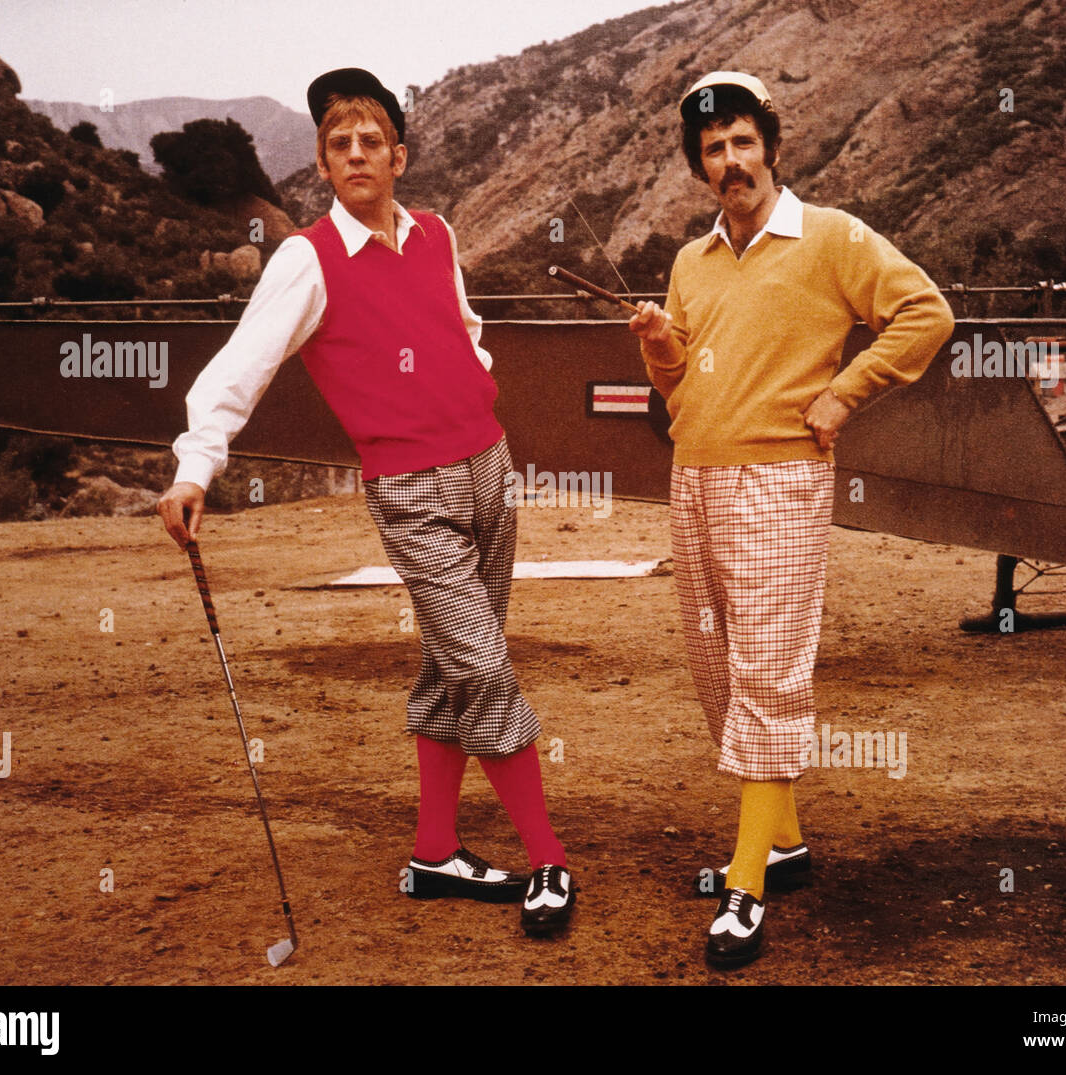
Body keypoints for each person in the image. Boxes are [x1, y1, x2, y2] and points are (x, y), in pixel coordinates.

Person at [157, 67, 573, 937]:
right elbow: (241, 366)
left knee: (450, 665)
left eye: (370, 142)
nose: (355, 155)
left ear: (398, 156)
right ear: (321, 164)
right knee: (484, 666)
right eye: (338, 145)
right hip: (411, 488)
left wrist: (474, 387)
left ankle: (433, 852)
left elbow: (465, 330)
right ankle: (548, 859)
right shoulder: (306, 258)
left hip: (487, 465)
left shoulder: (435, 232)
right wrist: (196, 465)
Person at [629, 71, 953, 969]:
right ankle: (785, 842)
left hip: (780, 484)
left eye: (742, 141)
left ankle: (744, 886)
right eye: (713, 149)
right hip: (693, 478)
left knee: (768, 671)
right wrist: (662, 351)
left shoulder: (832, 237)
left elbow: (926, 313)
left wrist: (846, 392)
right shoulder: (692, 262)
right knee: (720, 670)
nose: (731, 162)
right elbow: (682, 387)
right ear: (699, 165)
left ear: (771, 144)